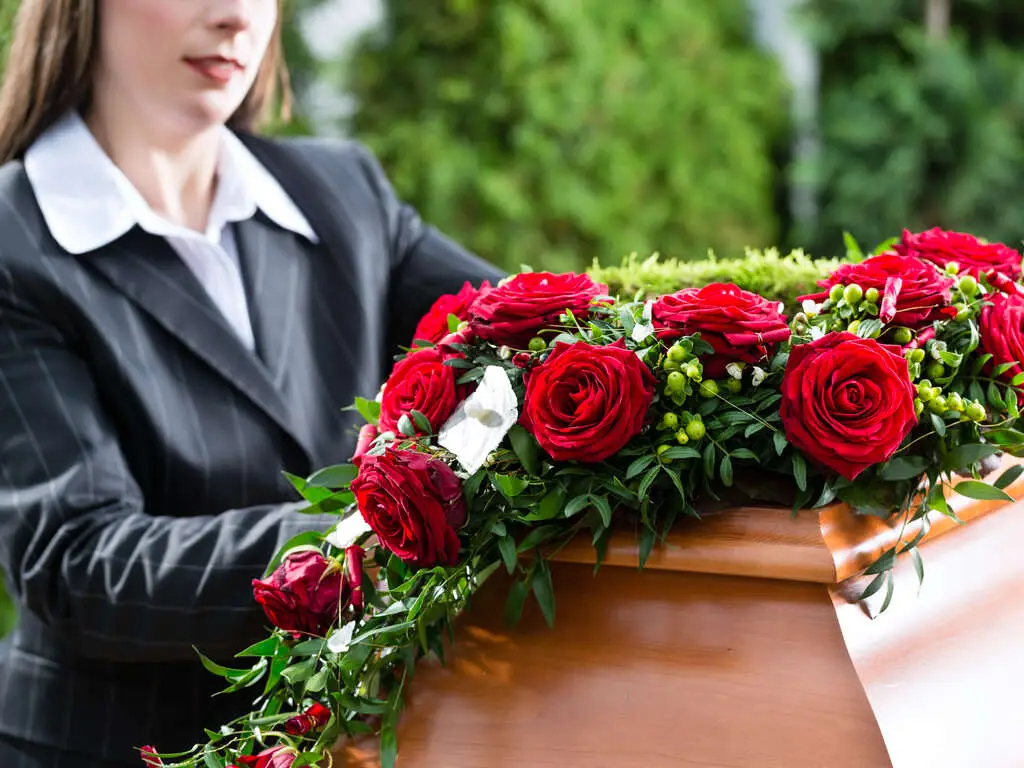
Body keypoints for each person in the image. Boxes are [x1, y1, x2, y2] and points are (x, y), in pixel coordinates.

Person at [0, 1, 504, 766]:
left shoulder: (342, 191)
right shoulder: (15, 242)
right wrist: (376, 527)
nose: (236, 17)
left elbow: (541, 341)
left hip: (352, 744)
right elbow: (78, 563)